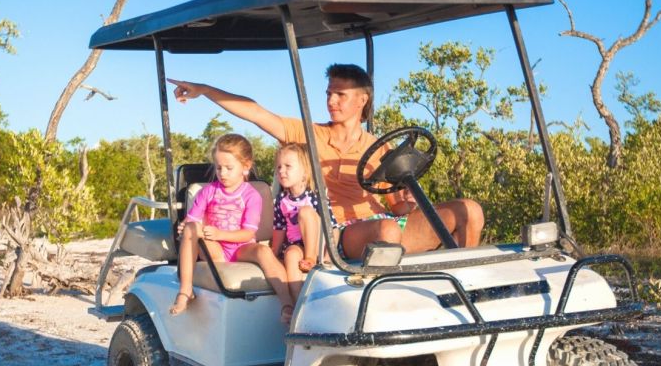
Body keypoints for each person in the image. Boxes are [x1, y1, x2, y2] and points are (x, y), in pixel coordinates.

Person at [167, 65, 484, 259]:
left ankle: (467, 289)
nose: (331, 101)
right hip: (336, 232)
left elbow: (397, 208)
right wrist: (205, 90)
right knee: (386, 230)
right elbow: (256, 112)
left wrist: (408, 201)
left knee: (468, 210)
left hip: (387, 226)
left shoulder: (378, 147)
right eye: (329, 93)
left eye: (340, 95)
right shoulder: (307, 133)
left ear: (362, 100)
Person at [170, 133, 295, 322]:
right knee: (190, 229)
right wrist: (185, 226)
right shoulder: (208, 191)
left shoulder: (252, 195)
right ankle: (185, 291)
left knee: (263, 251)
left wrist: (220, 233)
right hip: (215, 249)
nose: (223, 173)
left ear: (246, 167)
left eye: (229, 168)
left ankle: (287, 303)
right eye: (219, 168)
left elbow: (248, 233)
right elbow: (193, 219)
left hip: (241, 246)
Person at [272, 143, 333, 303]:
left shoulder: (316, 195)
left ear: (304, 171)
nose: (281, 171)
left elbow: (332, 226)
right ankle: (300, 302)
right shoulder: (281, 199)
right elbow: (280, 228)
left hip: (318, 245)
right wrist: (274, 253)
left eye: (287, 166)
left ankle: (310, 258)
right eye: (279, 167)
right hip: (297, 244)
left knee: (305, 212)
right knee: (290, 255)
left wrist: (329, 255)